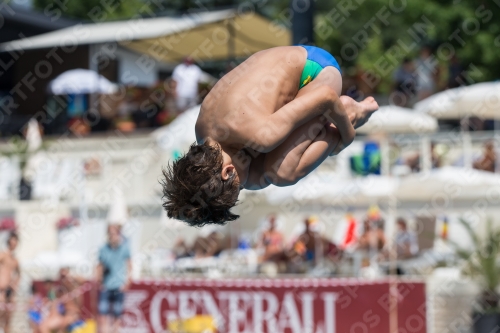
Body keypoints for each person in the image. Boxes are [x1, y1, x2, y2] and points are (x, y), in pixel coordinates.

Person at [162, 45, 378, 226]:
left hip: (316, 71)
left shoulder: (260, 134)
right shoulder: (202, 133)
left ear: (228, 171)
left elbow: (327, 97)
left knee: (283, 173)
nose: (244, 187)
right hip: (287, 58)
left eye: (239, 188)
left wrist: (347, 137)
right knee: (259, 175)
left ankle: (351, 112)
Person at [97, 225, 132, 333]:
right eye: (110, 234)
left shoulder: (124, 248)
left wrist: (127, 282)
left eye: (114, 233)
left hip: (119, 285)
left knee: (117, 313)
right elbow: (100, 266)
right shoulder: (103, 248)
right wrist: (99, 281)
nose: (112, 236)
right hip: (106, 285)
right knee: (103, 313)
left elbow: (129, 266)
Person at [0, 232, 20, 333]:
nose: (14, 243)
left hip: (9, 291)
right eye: (13, 241)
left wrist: (14, 284)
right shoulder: (3, 255)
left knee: (8, 320)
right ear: (9, 242)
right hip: (1, 290)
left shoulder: (15, 260)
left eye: (16, 241)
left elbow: (19, 274)